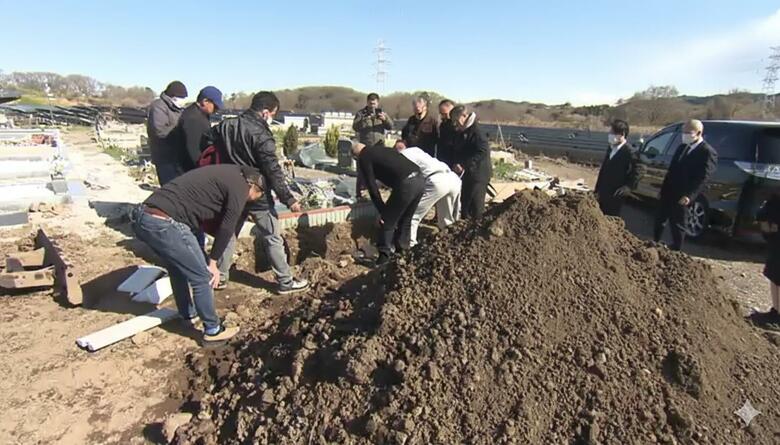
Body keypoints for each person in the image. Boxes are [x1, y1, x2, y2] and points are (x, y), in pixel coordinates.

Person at [130, 164, 265, 342]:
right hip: (165, 222)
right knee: (202, 276)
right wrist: (213, 262)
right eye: (255, 198)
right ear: (254, 188)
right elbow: (227, 227)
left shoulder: (228, 173)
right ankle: (213, 329)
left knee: (177, 267)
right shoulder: (241, 187)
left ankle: (187, 315)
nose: (250, 202)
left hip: (143, 217)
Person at [204, 91, 309, 294]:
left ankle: (220, 277)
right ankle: (285, 282)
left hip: (231, 187)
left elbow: (208, 142)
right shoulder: (262, 136)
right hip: (256, 192)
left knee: (228, 233)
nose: (272, 118)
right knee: (271, 235)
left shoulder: (226, 126)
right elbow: (272, 170)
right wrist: (288, 199)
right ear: (265, 112)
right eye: (273, 114)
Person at [352, 141, 424, 265]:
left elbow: (372, 186)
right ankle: (402, 256)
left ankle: (383, 260)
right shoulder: (380, 149)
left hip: (406, 183)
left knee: (387, 223)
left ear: (355, 156)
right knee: (406, 220)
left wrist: (382, 210)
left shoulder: (364, 156)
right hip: (420, 180)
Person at [653, 119, 718, 251]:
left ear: (699, 133)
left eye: (688, 132)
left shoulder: (707, 152)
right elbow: (672, 170)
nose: (684, 135)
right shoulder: (682, 147)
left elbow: (703, 177)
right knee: (660, 218)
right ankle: (655, 242)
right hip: (669, 190)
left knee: (678, 222)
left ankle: (676, 248)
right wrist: (663, 188)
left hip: (683, 193)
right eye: (683, 132)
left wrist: (690, 195)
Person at [394, 140, 461, 247]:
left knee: (412, 215)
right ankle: (452, 246)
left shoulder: (402, 156)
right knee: (447, 221)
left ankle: (410, 247)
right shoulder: (417, 151)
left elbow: (407, 184)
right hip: (453, 178)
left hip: (437, 180)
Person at [450, 105, 492, 219]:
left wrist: (464, 164)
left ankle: (475, 232)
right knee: (465, 206)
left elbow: (482, 151)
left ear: (464, 116)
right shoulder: (462, 131)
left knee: (475, 208)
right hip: (467, 175)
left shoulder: (477, 131)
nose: (455, 123)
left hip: (478, 175)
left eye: (456, 120)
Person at [594, 119, 640, 217]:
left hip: (615, 193)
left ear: (622, 134)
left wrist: (628, 186)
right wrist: (597, 189)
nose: (610, 135)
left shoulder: (629, 152)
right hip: (604, 190)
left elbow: (639, 170)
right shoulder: (610, 148)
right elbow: (604, 170)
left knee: (611, 218)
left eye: (613, 133)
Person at [147, 81, 188, 185]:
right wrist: (181, 127)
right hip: (164, 156)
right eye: (181, 98)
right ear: (172, 96)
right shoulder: (158, 106)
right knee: (169, 187)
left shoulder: (177, 109)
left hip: (176, 157)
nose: (182, 101)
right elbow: (159, 131)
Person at [175, 86, 224, 173]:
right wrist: (202, 170)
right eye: (215, 106)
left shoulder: (200, 114)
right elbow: (194, 149)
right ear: (205, 101)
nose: (217, 109)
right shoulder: (193, 119)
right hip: (190, 170)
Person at [437, 99, 457, 168]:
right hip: (443, 159)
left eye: (445, 114)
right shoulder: (443, 125)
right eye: (441, 114)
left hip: (454, 160)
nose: (443, 116)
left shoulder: (457, 126)